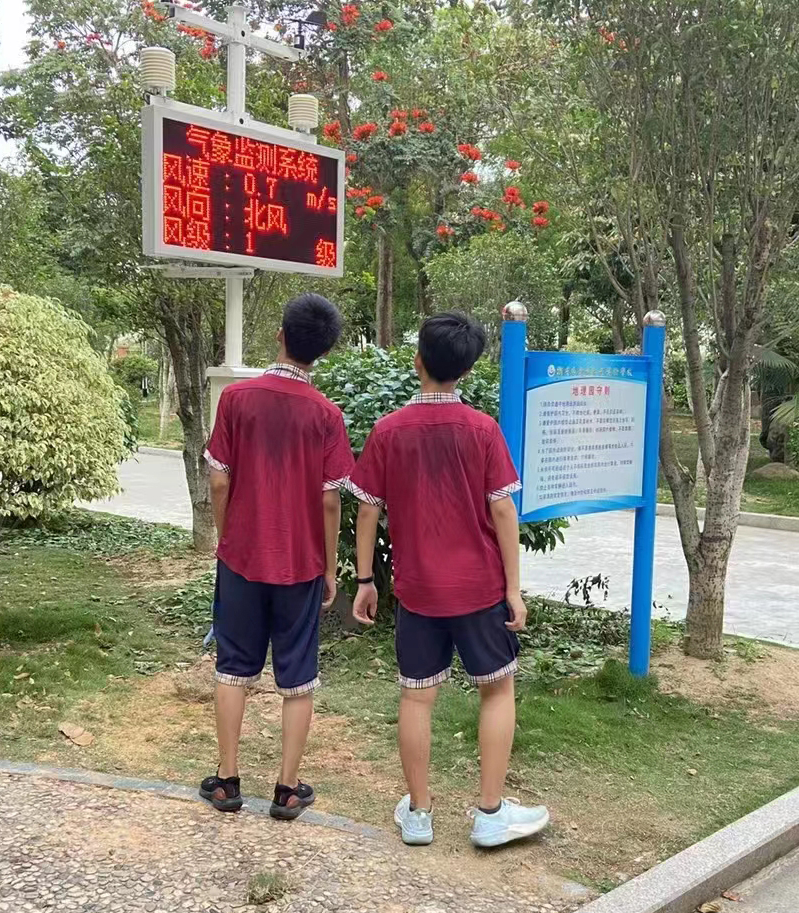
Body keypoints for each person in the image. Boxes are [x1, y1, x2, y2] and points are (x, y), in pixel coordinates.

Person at [349, 311, 549, 848]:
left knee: (417, 698)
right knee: (497, 688)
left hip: (417, 591)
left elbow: (367, 511)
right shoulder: (482, 430)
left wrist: (365, 579)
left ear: (419, 363)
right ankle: (489, 814)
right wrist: (513, 588)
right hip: (480, 589)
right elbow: (503, 512)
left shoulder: (389, 430)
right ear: (466, 370)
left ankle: (418, 815)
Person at [200, 293, 353, 821]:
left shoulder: (237, 401)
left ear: (280, 336)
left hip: (241, 558)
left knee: (233, 666)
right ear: (322, 352)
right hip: (302, 564)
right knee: (298, 675)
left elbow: (219, 479)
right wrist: (330, 567)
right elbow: (330, 498)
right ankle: (287, 790)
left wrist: (229, 536)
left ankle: (226, 781)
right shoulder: (327, 415)